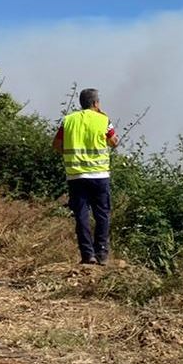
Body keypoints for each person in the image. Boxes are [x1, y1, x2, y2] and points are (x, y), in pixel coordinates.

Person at [52, 88, 119, 265]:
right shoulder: (103, 119)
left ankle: (87, 255)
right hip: (99, 175)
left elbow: (56, 144)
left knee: (81, 214)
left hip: (76, 176)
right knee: (102, 214)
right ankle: (102, 253)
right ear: (96, 103)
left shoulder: (69, 120)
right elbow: (114, 142)